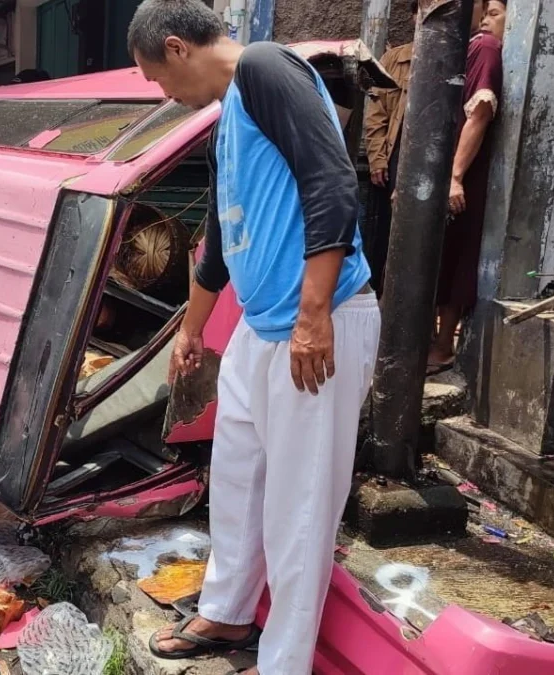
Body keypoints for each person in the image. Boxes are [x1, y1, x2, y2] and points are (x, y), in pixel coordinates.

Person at [128, 3, 380, 674]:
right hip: (260, 325)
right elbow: (219, 234)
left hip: (315, 320)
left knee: (300, 504)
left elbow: (331, 182)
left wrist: (313, 315)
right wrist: (191, 330)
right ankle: (228, 613)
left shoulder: (267, 67)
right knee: (238, 473)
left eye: (158, 79)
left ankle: (283, 662)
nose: (165, 95)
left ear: (178, 48)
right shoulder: (228, 115)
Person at [430, 0, 505, 373]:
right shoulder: (473, 47)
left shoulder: (486, 48)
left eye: (495, 13)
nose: (488, 20)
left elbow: (480, 112)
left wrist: (455, 176)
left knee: (453, 257)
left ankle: (444, 346)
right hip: (450, 174)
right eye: (486, 13)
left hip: (462, 176)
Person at [362, 0, 418, 294]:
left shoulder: (460, 57)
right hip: (395, 155)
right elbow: (376, 114)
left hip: (430, 160)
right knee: (386, 234)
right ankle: (383, 299)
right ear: (413, 17)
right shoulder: (394, 59)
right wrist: (378, 159)